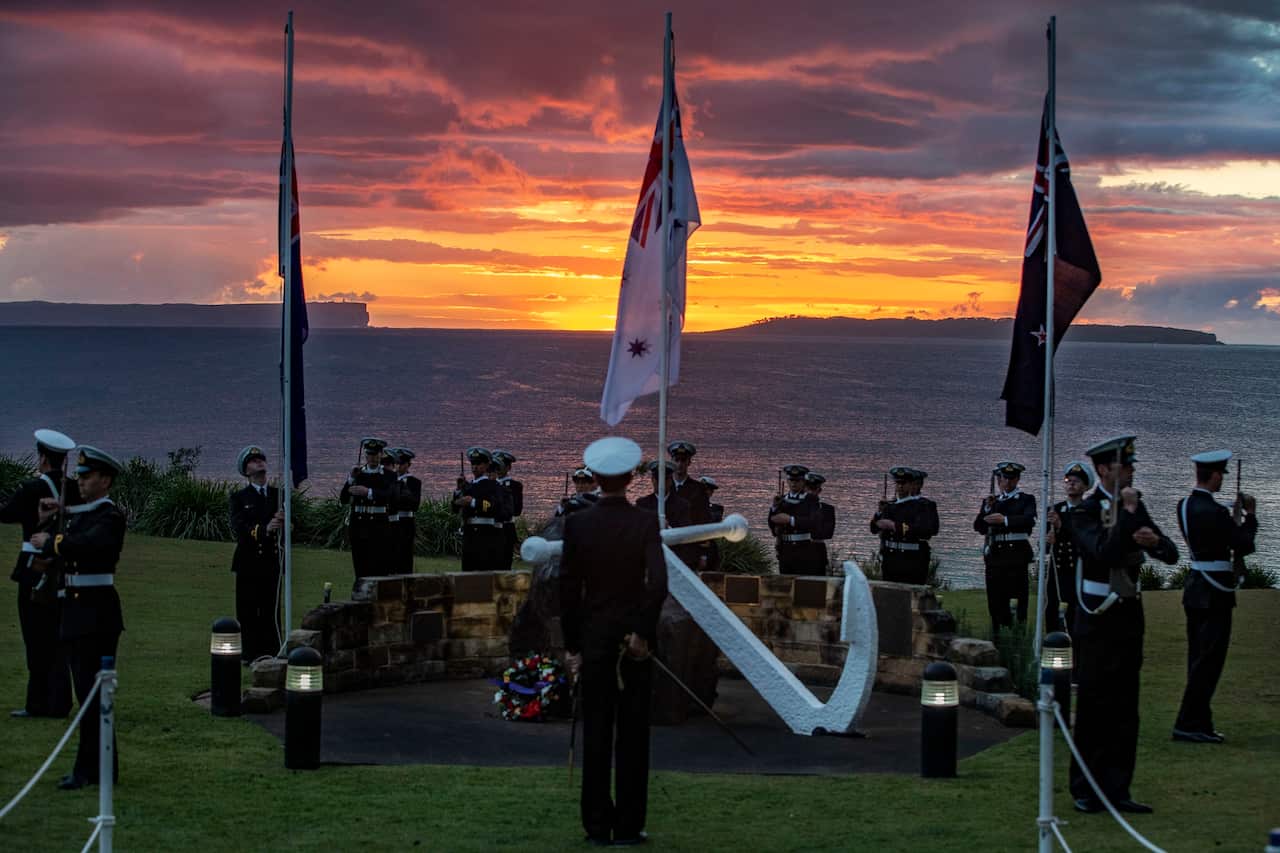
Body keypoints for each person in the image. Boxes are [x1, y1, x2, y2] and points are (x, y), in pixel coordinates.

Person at [560, 436, 667, 847]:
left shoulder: (578, 524)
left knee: (597, 733)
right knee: (633, 737)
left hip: (594, 641)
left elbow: (569, 593)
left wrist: (572, 648)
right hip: (632, 645)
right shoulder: (644, 522)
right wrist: (642, 632)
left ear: (598, 478)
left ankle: (596, 826)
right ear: (630, 477)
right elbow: (657, 583)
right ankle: (628, 826)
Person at [1067, 435, 1178, 815]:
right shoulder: (1082, 511)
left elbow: (1170, 552)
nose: (1131, 470)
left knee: (1125, 708)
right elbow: (1103, 550)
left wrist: (1154, 542)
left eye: (1131, 465)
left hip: (1127, 615)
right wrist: (1129, 518)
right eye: (1124, 465)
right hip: (1098, 616)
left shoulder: (1135, 505)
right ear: (1103, 469)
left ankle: (1118, 788)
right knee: (1095, 705)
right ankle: (1085, 788)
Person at [30, 445, 127, 791]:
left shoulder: (110, 517)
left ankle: (94, 769)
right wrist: (60, 513)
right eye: (81, 476)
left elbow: (89, 543)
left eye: (87, 477)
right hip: (78, 612)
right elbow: (76, 525)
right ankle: (96, 768)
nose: (81, 482)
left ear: (105, 480)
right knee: (87, 693)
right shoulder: (87, 513)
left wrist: (52, 542)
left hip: (96, 615)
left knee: (94, 695)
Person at [1172, 449, 1258, 744]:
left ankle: (1200, 721)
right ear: (1216, 475)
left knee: (1198, 659)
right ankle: (1188, 722)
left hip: (1195, 587)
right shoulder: (1216, 512)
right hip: (1215, 591)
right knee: (1209, 662)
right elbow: (1243, 545)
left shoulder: (1183, 506)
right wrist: (1250, 516)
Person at [1, 429, 76, 718]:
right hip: (62, 568)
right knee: (58, 638)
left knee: (35, 638)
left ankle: (38, 702)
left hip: (34, 568)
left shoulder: (32, 489)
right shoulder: (72, 489)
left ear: (43, 457)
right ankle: (60, 700)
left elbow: (6, 514)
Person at [229, 445, 284, 663]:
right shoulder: (240, 497)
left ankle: (273, 650)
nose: (259, 463)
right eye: (253, 461)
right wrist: (264, 529)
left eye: (261, 459)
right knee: (249, 609)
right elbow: (240, 527)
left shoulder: (277, 495)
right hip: (249, 561)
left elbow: (289, 527)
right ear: (246, 470)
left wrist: (286, 524)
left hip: (271, 561)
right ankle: (250, 653)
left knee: (271, 608)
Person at [973, 461, 1036, 631]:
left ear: (1017, 480)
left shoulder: (1025, 499)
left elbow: (1029, 520)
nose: (1006, 482)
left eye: (1011, 479)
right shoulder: (992, 501)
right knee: (995, 599)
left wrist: (1005, 520)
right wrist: (987, 508)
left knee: (1017, 599)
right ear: (999, 480)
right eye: (1003, 478)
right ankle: (997, 634)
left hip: (1016, 556)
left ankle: (1016, 637)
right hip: (995, 556)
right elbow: (979, 526)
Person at [339, 437, 397, 582]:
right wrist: (351, 479)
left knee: (379, 567)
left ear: (381, 455)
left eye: (376, 454)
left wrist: (369, 492)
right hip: (359, 525)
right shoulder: (358, 474)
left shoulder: (389, 475)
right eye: (370, 454)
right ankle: (360, 597)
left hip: (378, 526)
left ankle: (377, 599)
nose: (372, 458)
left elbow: (391, 496)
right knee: (360, 566)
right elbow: (343, 498)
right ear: (365, 455)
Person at [1045, 461, 1092, 634]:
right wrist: (1047, 540)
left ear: (1085, 486)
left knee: (1074, 612)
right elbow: (1043, 545)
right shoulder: (1055, 509)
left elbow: (1084, 539)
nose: (1071, 484)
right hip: (1056, 570)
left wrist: (1060, 527)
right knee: (1052, 610)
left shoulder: (1088, 511)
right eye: (1068, 480)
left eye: (1076, 481)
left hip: (1078, 570)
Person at [872, 466, 938, 584]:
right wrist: (879, 512)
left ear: (910, 485)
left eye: (904, 483)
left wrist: (894, 526)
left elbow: (927, 530)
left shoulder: (921, 506)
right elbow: (874, 529)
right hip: (890, 559)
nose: (900, 486)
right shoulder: (890, 506)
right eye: (898, 483)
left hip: (912, 560)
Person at [452, 447, 506, 572]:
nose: (475, 467)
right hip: (469, 533)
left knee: (483, 570)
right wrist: (458, 490)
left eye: (478, 463)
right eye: (473, 463)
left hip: (486, 534)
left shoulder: (492, 485)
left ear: (487, 465)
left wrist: (473, 502)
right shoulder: (468, 486)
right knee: (468, 569)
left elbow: (495, 507)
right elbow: (454, 508)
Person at [769, 464, 822, 575]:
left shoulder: (810, 500)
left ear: (803, 482)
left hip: (803, 549)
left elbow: (814, 522)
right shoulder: (782, 500)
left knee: (803, 585)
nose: (793, 483)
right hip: (785, 549)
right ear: (787, 481)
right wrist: (774, 508)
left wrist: (791, 520)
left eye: (797, 481)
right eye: (791, 480)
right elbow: (772, 523)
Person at [669, 440, 712, 569]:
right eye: (676, 460)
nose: (679, 464)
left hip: (689, 549)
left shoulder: (698, 489)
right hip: (667, 547)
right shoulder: (663, 486)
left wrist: (703, 554)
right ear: (671, 461)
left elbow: (704, 521)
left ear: (689, 462)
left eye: (683, 460)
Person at [388, 448, 421, 575]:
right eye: (396, 463)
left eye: (401, 464)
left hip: (406, 520)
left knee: (405, 554)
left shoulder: (414, 482)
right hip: (391, 520)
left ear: (408, 465)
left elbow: (415, 505)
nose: (398, 466)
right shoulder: (390, 479)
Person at [492, 450, 523, 571]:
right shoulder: (488, 484)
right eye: (496, 465)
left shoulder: (514, 486)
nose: (498, 468)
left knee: (504, 565)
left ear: (508, 467)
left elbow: (516, 511)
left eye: (502, 465)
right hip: (489, 528)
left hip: (506, 528)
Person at [805, 472, 834, 576]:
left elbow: (827, 533)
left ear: (819, 490)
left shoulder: (827, 509)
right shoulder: (793, 507)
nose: (810, 492)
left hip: (817, 550)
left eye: (813, 489)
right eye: (808, 488)